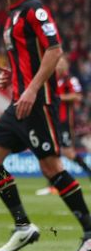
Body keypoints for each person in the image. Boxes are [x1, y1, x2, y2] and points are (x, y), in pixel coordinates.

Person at [0, 0, 91, 251]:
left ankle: (90, 234)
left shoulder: (34, 10)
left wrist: (30, 89)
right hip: (18, 103)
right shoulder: (11, 15)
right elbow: (29, 57)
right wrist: (12, 75)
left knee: (51, 167)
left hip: (38, 103)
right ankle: (22, 226)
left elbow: (55, 51)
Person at [36, 55, 91, 195]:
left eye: (62, 63)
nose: (59, 65)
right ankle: (52, 185)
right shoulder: (51, 79)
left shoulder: (70, 80)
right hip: (51, 121)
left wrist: (59, 98)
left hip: (64, 122)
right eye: (58, 62)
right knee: (52, 152)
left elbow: (78, 96)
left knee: (67, 152)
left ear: (66, 65)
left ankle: (88, 171)